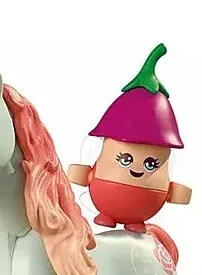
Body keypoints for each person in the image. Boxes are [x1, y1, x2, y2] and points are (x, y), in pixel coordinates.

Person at [68, 44, 192, 233]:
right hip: (106, 200)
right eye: (125, 159)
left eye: (151, 164)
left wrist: (175, 192)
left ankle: (134, 222)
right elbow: (76, 174)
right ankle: (107, 216)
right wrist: (81, 173)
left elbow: (181, 195)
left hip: (143, 210)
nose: (137, 170)